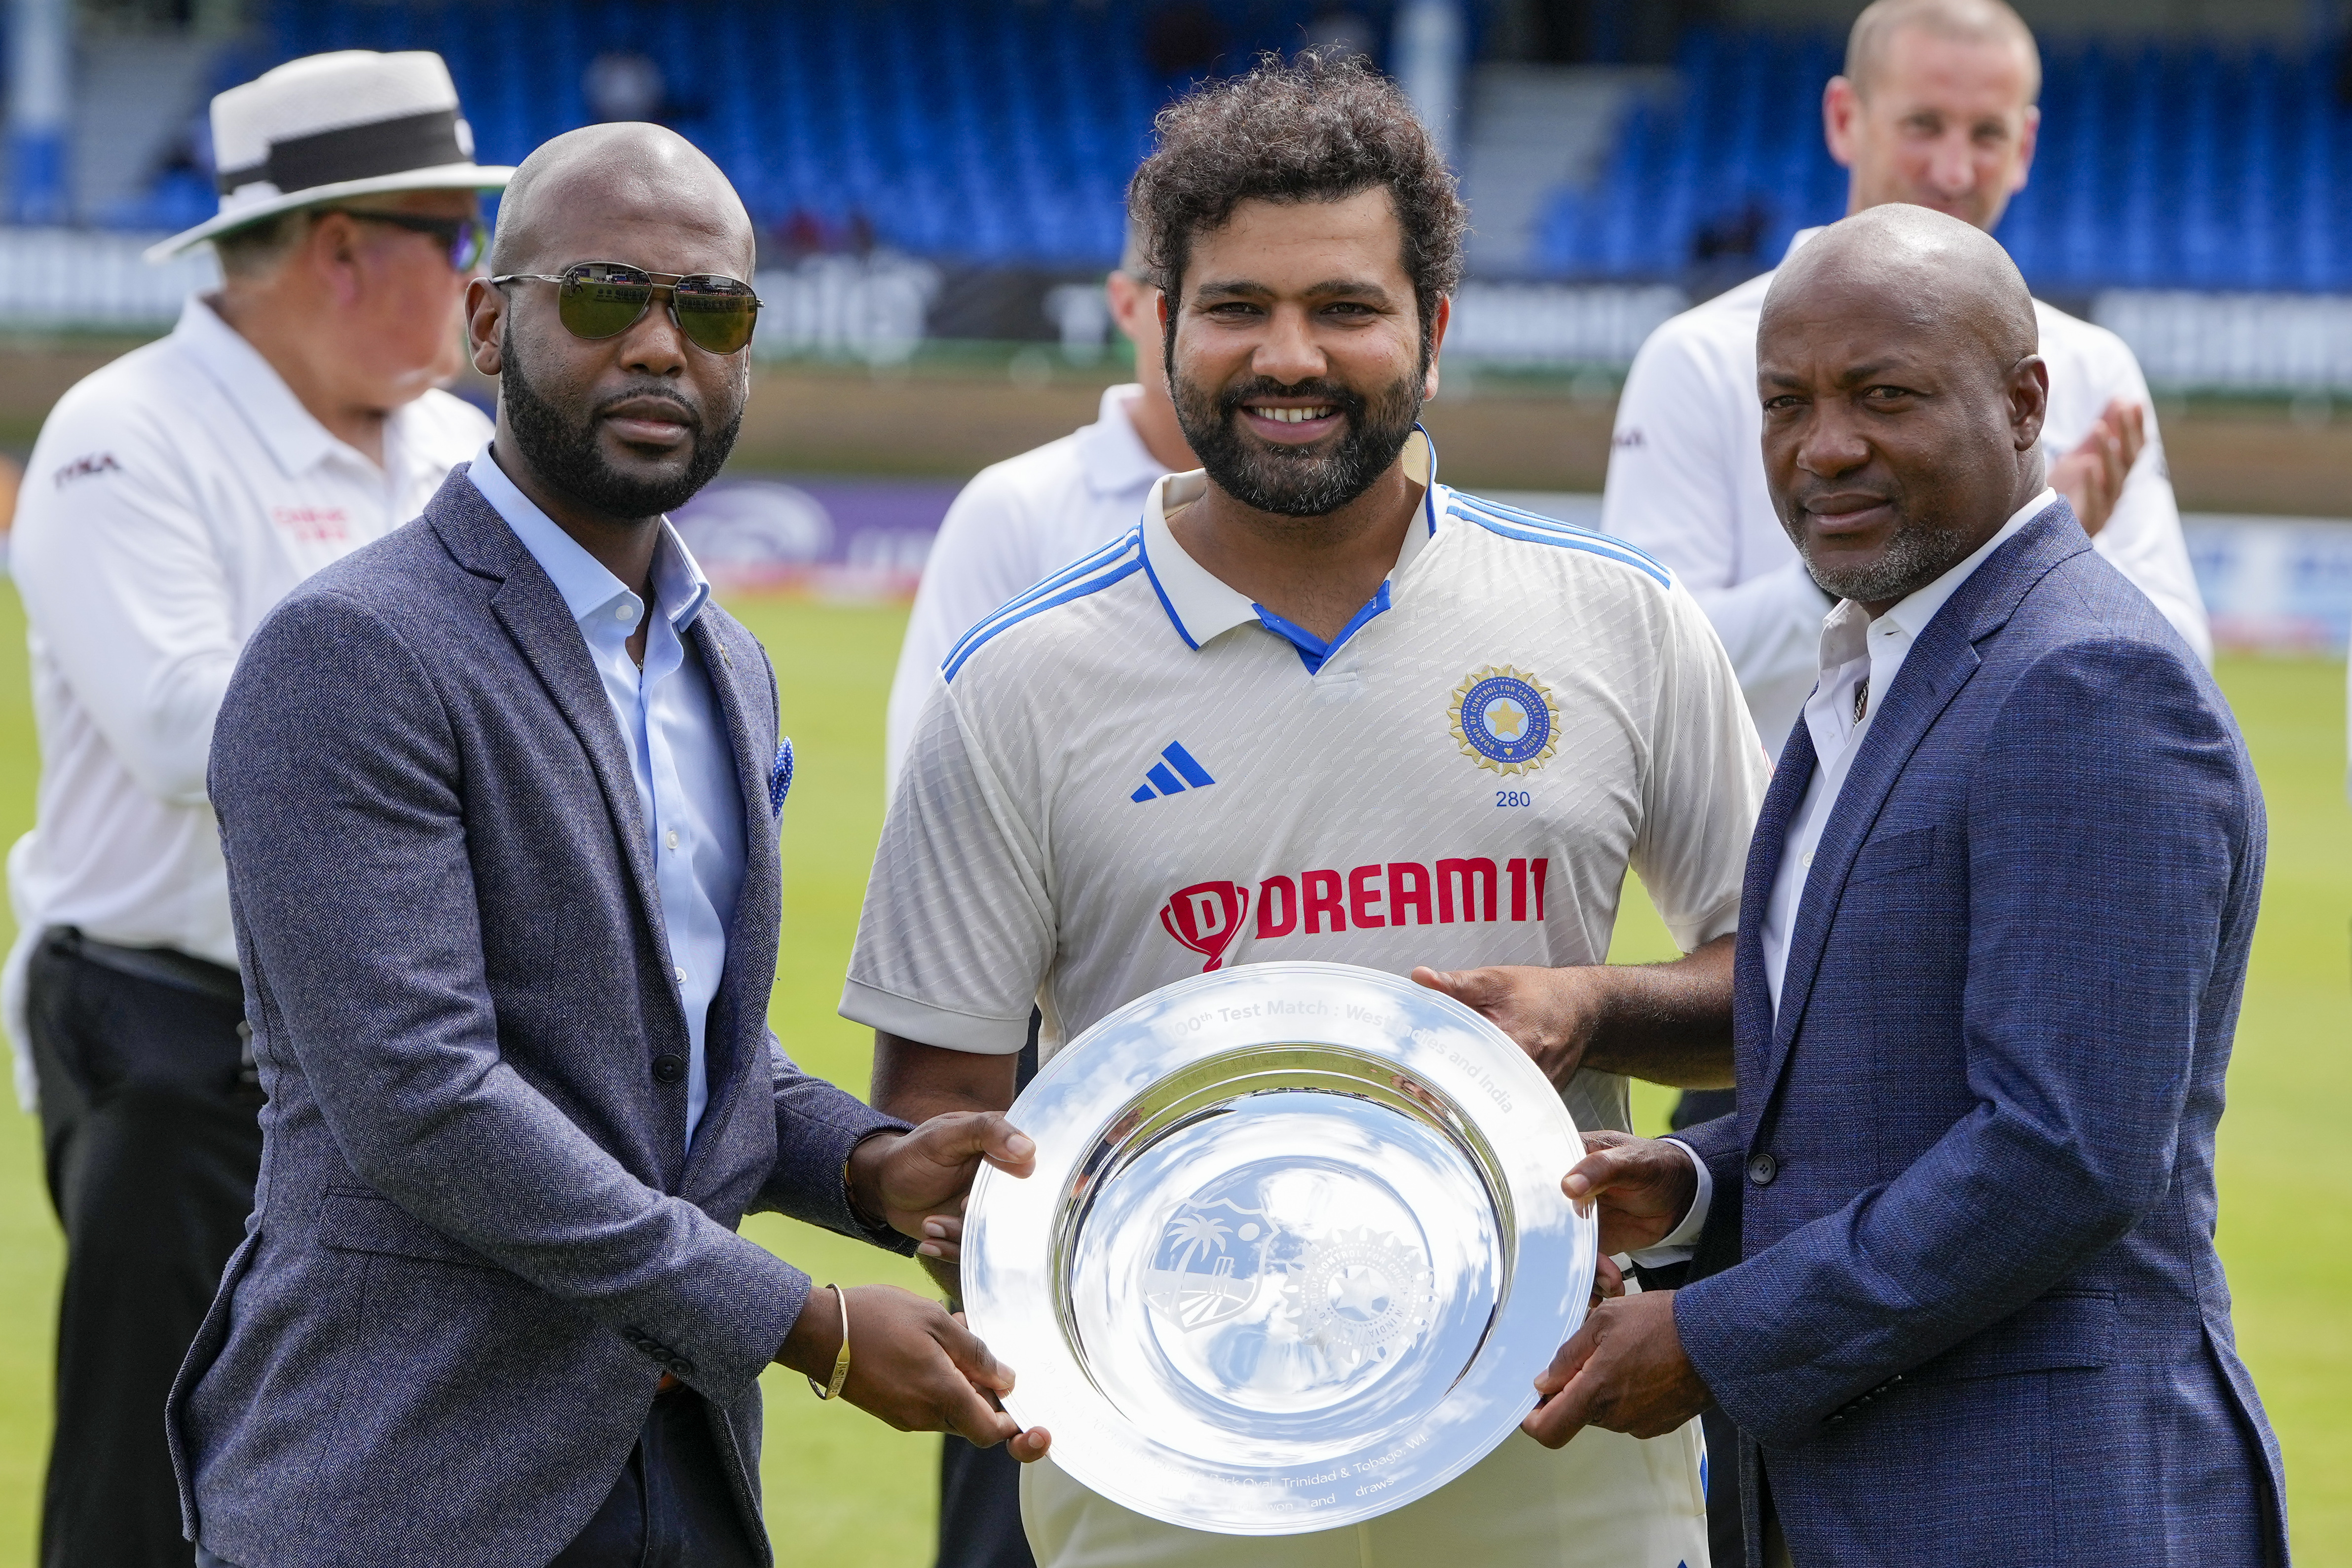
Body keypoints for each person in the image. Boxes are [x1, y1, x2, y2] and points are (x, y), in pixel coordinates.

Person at [846, 55, 1767, 1568]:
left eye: (1344, 308)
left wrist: (1588, 1007)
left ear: (1433, 332)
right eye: (1236, 309)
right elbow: (938, 1105)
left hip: (1549, 1460)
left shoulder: (1618, 621)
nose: (1289, 356)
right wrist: (975, 1220)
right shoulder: (1017, 679)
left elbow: (1774, 997)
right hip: (1167, 1468)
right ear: (1160, 325)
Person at [175, 123, 1049, 1568]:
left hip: (679, 1464)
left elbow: (683, 1051)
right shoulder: (350, 653)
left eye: (710, 311)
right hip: (408, 1471)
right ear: (481, 324)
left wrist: (867, 1168)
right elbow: (423, 1099)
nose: (660, 346)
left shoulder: (726, 662)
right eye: (602, 297)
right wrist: (806, 1324)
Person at [1524, 204, 2286, 1566]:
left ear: (2020, 403)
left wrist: (1710, 1335)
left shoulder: (2082, 681)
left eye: (1881, 395)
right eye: (1784, 402)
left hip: (2040, 1504)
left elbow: (2060, 1152)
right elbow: (1888, 1089)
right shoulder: (1879, 670)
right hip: (1861, 1494)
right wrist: (1696, 1190)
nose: (1822, 446)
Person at [0, 49, 510, 1568]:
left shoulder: (457, 450)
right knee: (147, 1485)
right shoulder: (124, 432)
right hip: (178, 1039)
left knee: (398, 1468)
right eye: (454, 239)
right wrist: (464, 737)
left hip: (410, 1041)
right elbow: (181, 731)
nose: (477, 282)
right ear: (346, 247)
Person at [1602, 0, 2209, 758]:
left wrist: (2050, 562)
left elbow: (2178, 655)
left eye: (1985, 134)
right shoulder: (1699, 354)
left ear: (2023, 146)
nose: (1952, 170)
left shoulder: (2087, 366)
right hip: (1762, 861)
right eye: (1923, 124)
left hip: (2000, 840)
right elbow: (1645, 658)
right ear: (1843, 118)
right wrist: (1879, 566)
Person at [884, 233, 1194, 797]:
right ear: (1126, 304)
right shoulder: (1014, 509)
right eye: (1193, 297)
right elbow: (929, 787)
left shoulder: (1316, 508)